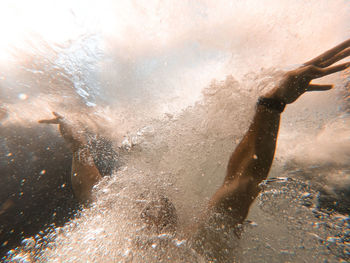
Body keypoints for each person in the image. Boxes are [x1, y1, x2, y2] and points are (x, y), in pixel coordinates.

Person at [39, 39, 350, 261]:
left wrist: (271, 104)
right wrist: (77, 144)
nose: (136, 213)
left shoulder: (196, 248)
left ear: (169, 222)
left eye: (146, 209)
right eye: (137, 209)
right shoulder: (111, 234)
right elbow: (90, 187)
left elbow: (242, 181)